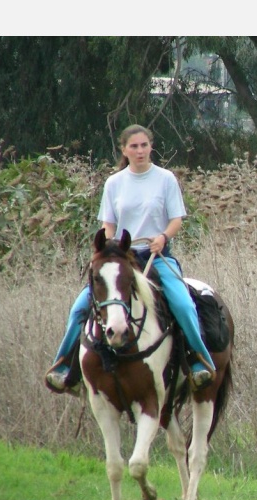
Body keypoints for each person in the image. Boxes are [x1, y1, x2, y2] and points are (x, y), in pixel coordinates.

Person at [45, 124, 215, 395]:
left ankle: (198, 362)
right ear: (124, 149)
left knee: (183, 304)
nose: (140, 151)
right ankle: (64, 368)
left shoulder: (166, 179)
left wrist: (162, 237)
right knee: (80, 308)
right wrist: (110, 246)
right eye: (134, 146)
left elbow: (176, 219)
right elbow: (108, 224)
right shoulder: (114, 183)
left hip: (156, 257)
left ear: (151, 146)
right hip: (122, 259)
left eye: (144, 145)